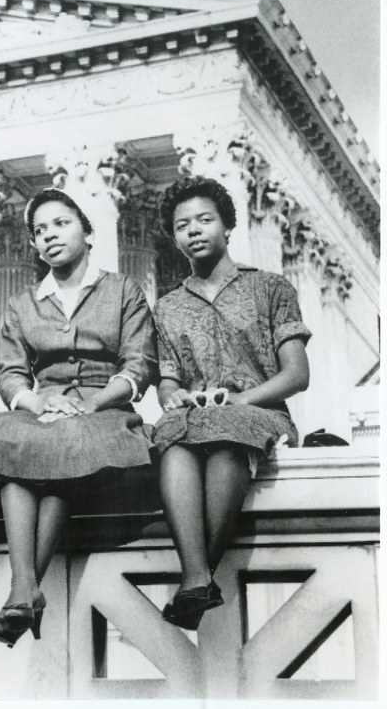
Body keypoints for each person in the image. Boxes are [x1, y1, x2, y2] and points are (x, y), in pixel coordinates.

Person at [0, 188, 157, 648]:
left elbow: (138, 365)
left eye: (61, 223)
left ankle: (22, 590)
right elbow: (12, 374)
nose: (50, 235)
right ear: (34, 246)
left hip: (105, 410)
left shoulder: (122, 290)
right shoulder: (22, 303)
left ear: (88, 232)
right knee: (17, 447)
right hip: (45, 408)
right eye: (40, 231)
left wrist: (91, 404)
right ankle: (26, 587)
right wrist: (37, 403)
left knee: (59, 446)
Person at [151, 176, 310, 630]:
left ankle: (195, 578)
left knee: (225, 436)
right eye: (183, 226)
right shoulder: (167, 307)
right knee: (170, 437)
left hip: (257, 413)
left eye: (205, 220)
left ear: (227, 225)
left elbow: (296, 375)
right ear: (175, 237)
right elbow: (167, 380)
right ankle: (198, 579)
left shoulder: (271, 288)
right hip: (195, 416)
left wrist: (240, 398)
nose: (194, 231)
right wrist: (173, 395)